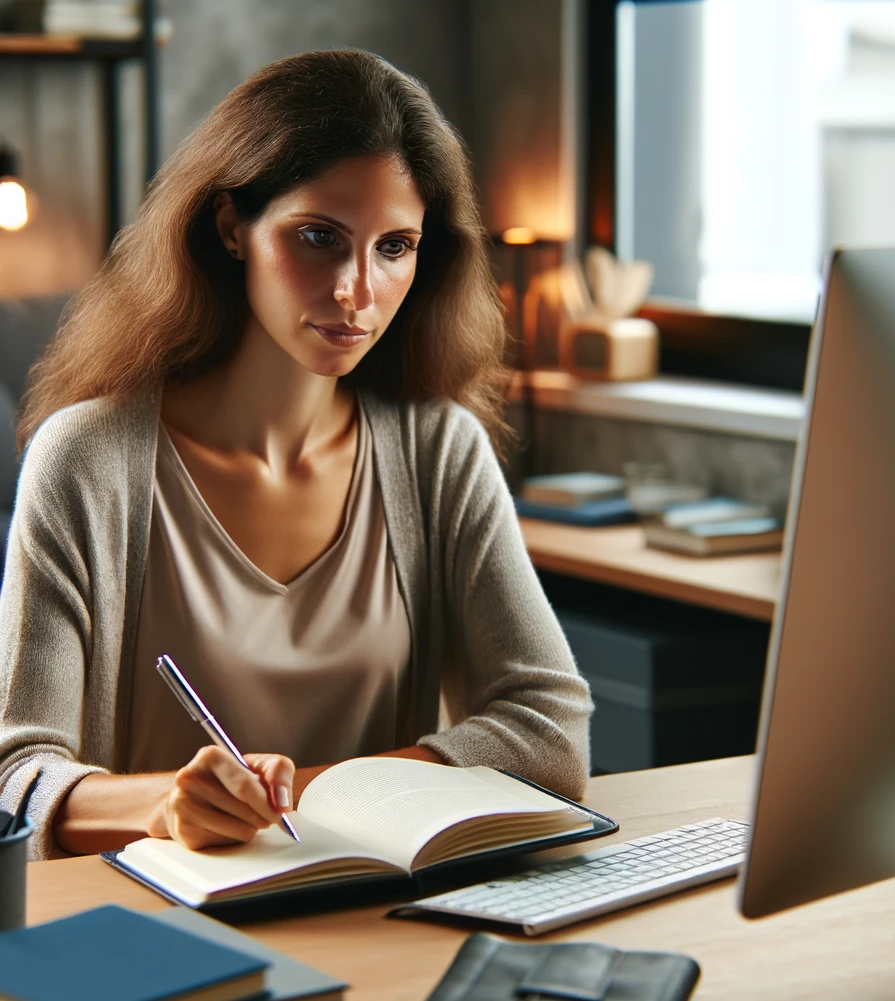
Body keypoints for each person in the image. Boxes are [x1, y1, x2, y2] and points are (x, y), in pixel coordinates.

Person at [0, 49, 592, 860]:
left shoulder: (437, 448)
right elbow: (17, 777)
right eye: (319, 237)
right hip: (151, 923)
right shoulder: (87, 459)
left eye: (394, 247)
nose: (356, 290)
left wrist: (306, 795)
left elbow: (551, 732)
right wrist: (168, 807)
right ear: (229, 227)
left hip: (380, 915)